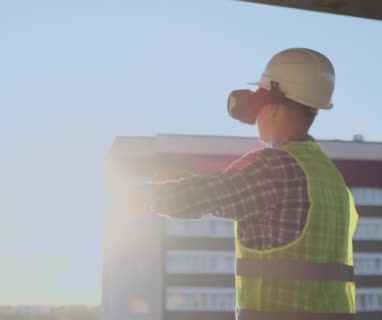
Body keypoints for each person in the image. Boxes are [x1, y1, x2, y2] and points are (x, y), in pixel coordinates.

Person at [133, 48, 359, 320]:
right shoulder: (331, 179)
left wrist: (142, 194)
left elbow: (197, 197)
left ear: (273, 103)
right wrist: (187, 181)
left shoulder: (273, 166)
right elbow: (243, 193)